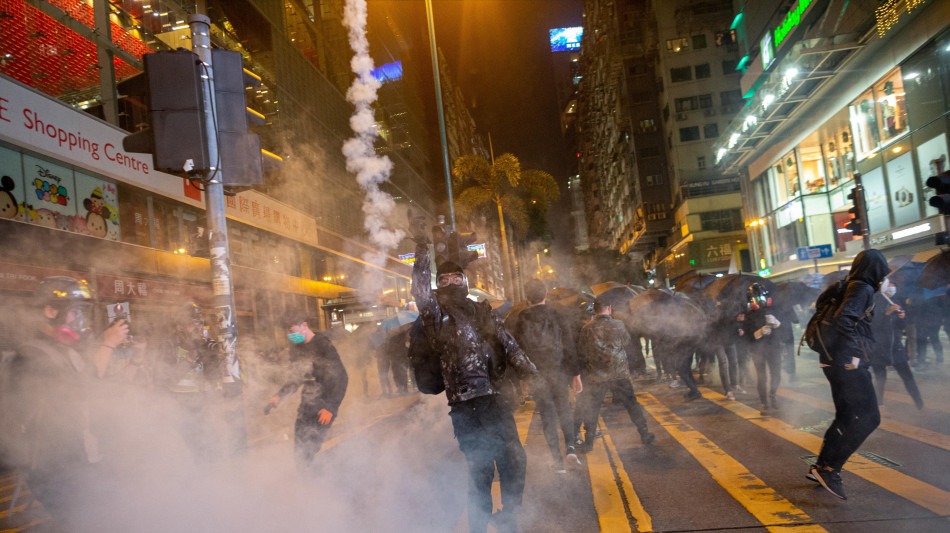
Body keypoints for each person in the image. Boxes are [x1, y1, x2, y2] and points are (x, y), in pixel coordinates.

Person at [408, 216, 537, 533]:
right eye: (446, 279)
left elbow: (510, 345)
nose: (452, 283)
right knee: (480, 472)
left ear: (464, 281)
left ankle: (508, 518)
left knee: (514, 462)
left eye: (456, 278)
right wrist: (422, 248)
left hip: (495, 401)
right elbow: (421, 291)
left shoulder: (484, 311)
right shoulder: (436, 318)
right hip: (466, 408)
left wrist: (532, 373)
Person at [0, 277, 128, 531]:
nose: (81, 320)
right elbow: (78, 390)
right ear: (50, 311)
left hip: (80, 460)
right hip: (53, 467)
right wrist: (107, 344)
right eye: (76, 312)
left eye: (84, 312)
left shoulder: (67, 352)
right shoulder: (31, 354)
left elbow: (98, 391)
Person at [809, 249, 888, 501]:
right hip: (848, 363)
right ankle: (831, 469)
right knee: (869, 417)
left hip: (833, 361)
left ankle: (821, 467)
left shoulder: (848, 285)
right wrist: (855, 356)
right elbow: (845, 319)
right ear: (875, 270)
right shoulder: (862, 288)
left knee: (845, 415)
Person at [263, 309, 348, 473]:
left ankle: (320, 483)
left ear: (304, 326)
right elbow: (296, 378)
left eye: (292, 330)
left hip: (324, 405)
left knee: (309, 451)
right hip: (307, 404)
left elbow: (341, 378)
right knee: (300, 450)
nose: (290, 335)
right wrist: (278, 397)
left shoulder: (323, 345)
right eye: (287, 332)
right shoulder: (297, 348)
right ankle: (307, 485)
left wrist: (330, 407)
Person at [513, 278, 583, 473]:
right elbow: (569, 345)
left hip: (536, 375)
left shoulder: (522, 318)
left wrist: (522, 377)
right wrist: (576, 374)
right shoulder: (556, 314)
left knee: (547, 416)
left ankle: (557, 462)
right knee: (564, 409)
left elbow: (518, 351)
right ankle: (570, 448)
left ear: (527, 298)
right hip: (558, 371)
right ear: (545, 295)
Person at [576, 297, 655, 453]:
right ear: (609, 308)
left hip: (596, 375)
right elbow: (626, 342)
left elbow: (581, 351)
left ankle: (589, 442)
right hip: (619, 373)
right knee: (632, 404)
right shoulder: (619, 325)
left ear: (595, 310)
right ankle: (644, 434)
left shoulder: (587, 328)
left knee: (592, 408)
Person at [868, 281, 923, 412]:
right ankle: (879, 405)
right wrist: (886, 314)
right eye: (890, 284)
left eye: (894, 284)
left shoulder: (894, 300)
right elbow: (872, 326)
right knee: (880, 379)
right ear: (883, 287)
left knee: (907, 376)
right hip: (878, 348)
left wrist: (901, 317)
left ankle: (919, 403)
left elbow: (900, 327)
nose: (893, 287)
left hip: (895, 346)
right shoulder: (873, 302)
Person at [740, 284, 783, 415]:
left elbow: (784, 329)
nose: (760, 300)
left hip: (773, 347)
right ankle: (763, 402)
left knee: (776, 373)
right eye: (756, 297)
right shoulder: (748, 315)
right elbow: (747, 335)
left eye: (762, 296)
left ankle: (773, 394)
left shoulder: (773, 310)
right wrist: (759, 332)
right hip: (758, 349)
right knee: (762, 376)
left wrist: (777, 323)